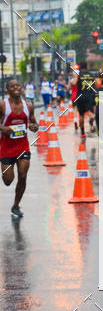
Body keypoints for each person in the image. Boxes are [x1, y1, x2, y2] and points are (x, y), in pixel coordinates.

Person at [0, 78, 38, 218]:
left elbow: (34, 123)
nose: (15, 87)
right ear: (8, 90)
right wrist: (3, 128)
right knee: (8, 180)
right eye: (12, 86)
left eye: (17, 85)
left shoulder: (28, 106)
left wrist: (34, 127)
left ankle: (16, 205)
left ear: (21, 88)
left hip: (23, 147)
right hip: (6, 148)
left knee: (22, 175)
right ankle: (6, 174)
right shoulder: (3, 106)